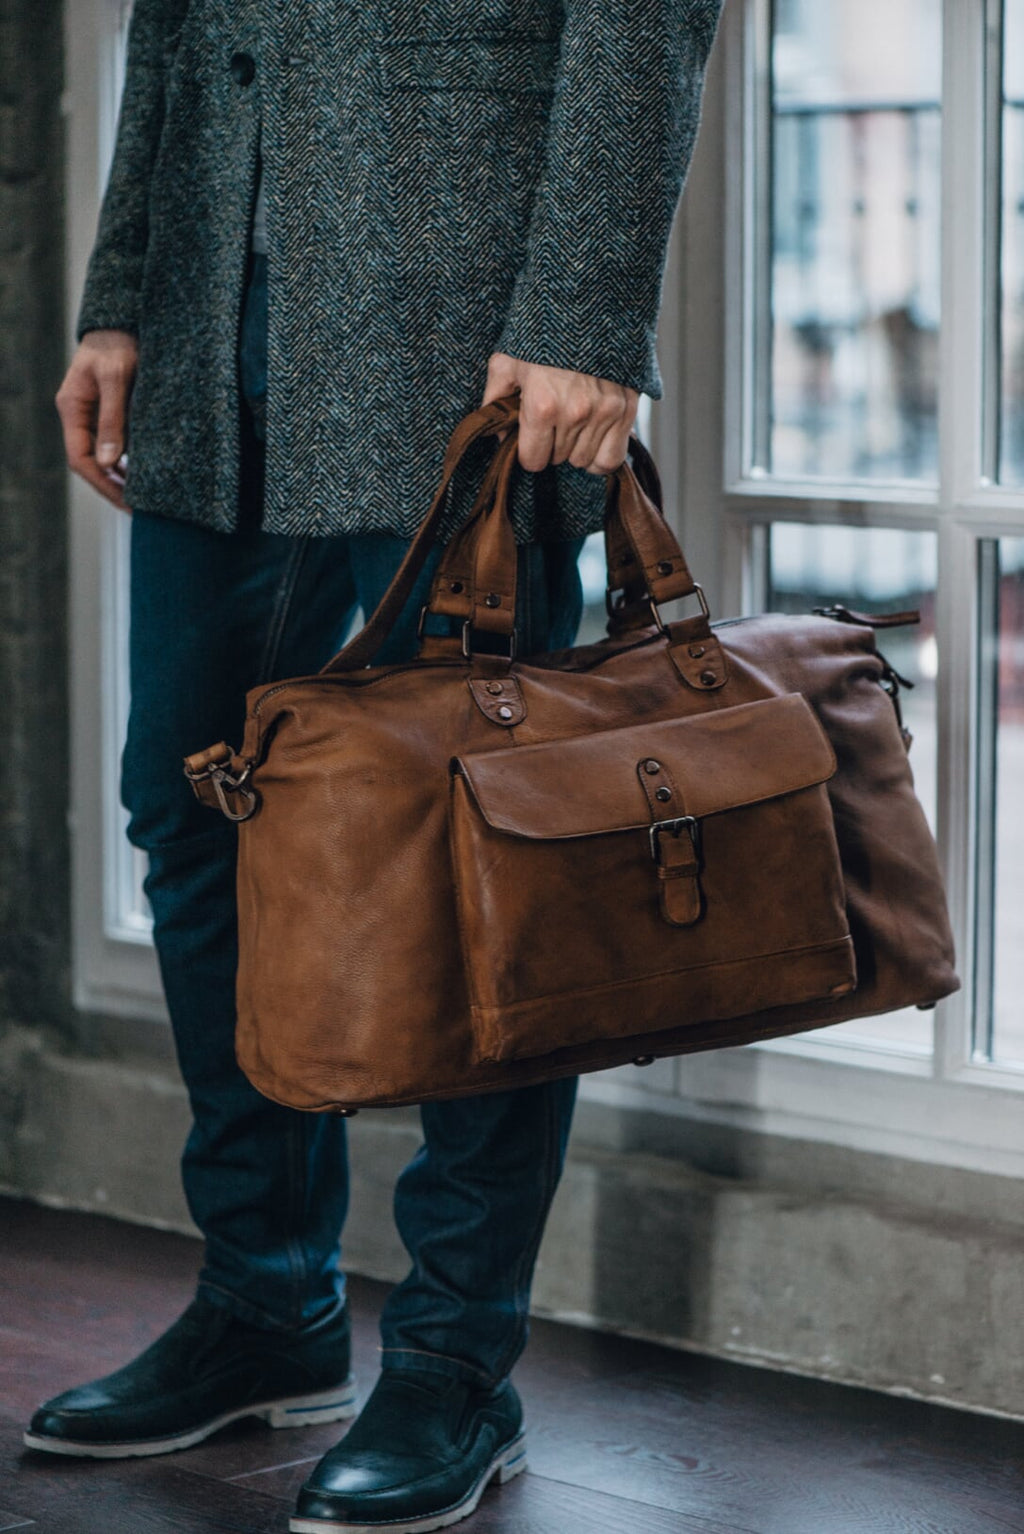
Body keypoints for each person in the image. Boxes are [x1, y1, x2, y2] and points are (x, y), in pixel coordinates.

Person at [29, 2, 722, 1529]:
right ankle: (265, 1297)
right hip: (221, 305)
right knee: (194, 803)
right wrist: (123, 289)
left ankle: (457, 1360)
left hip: (467, 322)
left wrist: (587, 311)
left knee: (478, 844)